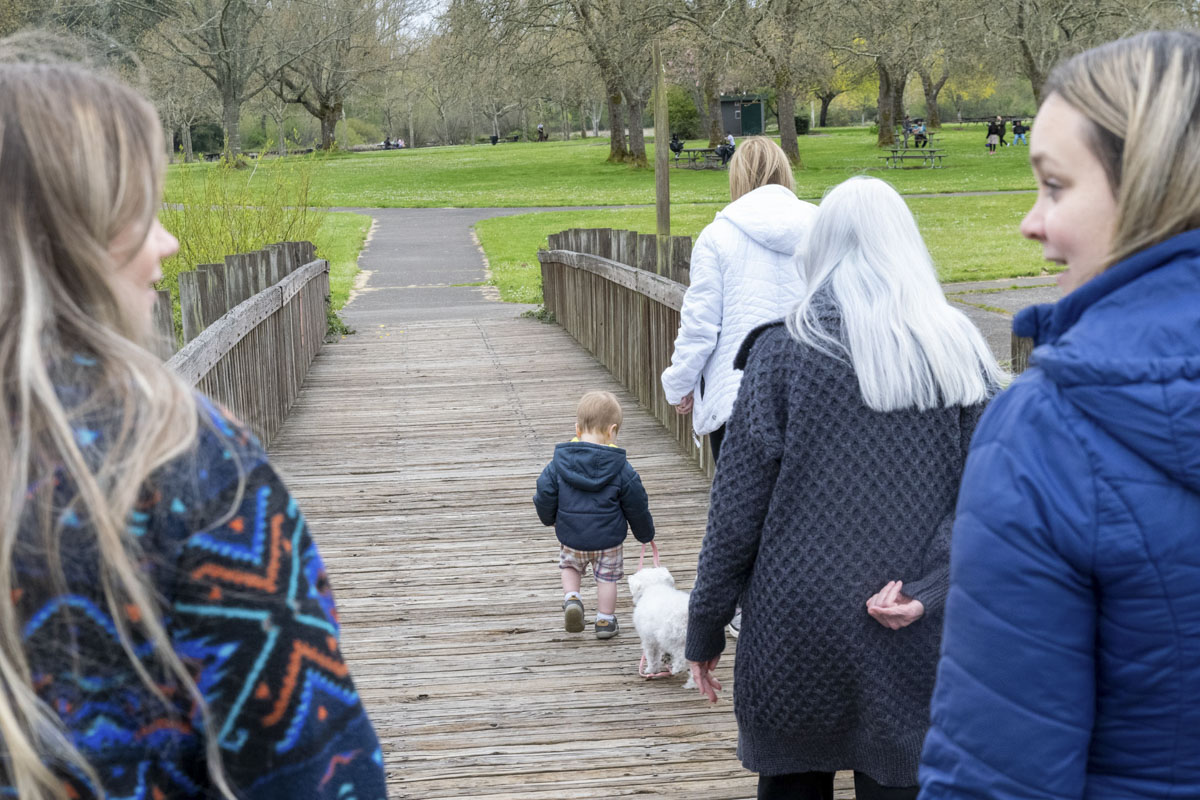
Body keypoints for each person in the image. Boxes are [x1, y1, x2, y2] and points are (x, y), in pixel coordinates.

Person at [0, 56, 386, 799]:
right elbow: (320, 770)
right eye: (139, 214)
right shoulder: (180, 459)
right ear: (67, 239)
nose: (167, 242)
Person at [920, 30, 1200, 800]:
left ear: (1151, 188)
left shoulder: (1049, 433)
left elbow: (992, 776)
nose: (1031, 222)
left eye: (1054, 185)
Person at [686, 176, 1005, 800]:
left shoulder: (782, 352)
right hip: (910, 631)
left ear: (820, 248)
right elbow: (993, 499)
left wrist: (705, 625)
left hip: (794, 630)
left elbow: (735, 516)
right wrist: (929, 588)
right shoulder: (959, 352)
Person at [662, 135, 816, 464]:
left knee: (738, 496)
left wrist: (679, 384)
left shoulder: (717, 236)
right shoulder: (822, 227)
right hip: (810, 393)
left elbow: (700, 325)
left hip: (738, 396)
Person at [533, 391, 655, 639]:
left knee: (570, 566)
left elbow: (544, 491)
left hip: (571, 534)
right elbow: (636, 503)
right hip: (608, 541)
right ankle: (605, 621)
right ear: (612, 431)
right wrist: (645, 533)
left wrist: (549, 518)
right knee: (607, 579)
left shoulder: (558, 464)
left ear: (577, 429)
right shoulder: (621, 468)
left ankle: (572, 598)